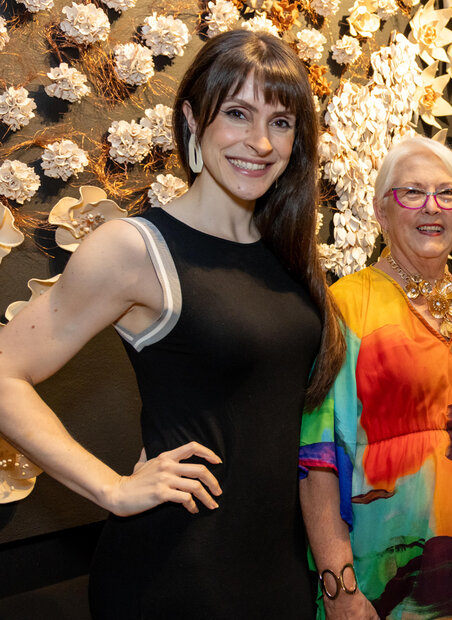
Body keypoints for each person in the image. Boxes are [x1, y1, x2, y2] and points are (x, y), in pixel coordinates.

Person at [0, 30, 344, 617]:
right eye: (237, 113)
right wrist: (111, 487)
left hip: (278, 569)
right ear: (192, 117)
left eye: (282, 123)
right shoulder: (135, 249)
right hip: (178, 572)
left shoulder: (287, 249)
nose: (260, 142)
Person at [298, 135, 452, 619]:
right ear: (381, 211)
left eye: (447, 193)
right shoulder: (345, 305)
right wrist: (341, 588)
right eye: (412, 193)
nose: (431, 207)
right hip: (387, 567)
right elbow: (317, 462)